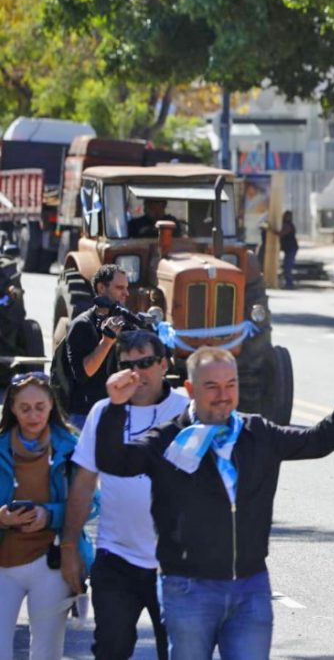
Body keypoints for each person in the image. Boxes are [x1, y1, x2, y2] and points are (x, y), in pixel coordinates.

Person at [95, 347, 334, 659]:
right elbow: (114, 461)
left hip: (250, 589)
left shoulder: (257, 433)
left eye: (230, 385)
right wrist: (115, 408)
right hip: (188, 590)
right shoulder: (169, 439)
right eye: (211, 387)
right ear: (190, 389)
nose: (223, 395)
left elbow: (318, 440)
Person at [61, 330, 187, 660]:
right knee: (111, 650)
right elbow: (84, 483)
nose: (136, 372)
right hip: (116, 558)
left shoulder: (187, 411)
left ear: (163, 365)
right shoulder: (103, 412)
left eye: (145, 363)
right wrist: (70, 546)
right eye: (127, 364)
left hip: (176, 564)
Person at [0, 372, 83, 660]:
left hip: (51, 560)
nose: (33, 415)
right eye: (24, 408)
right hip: (3, 562)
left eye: (39, 407)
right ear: (11, 408)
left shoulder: (72, 445)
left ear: (51, 406)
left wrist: (49, 516)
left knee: (46, 652)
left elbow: (89, 502)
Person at [65, 264, 131, 428]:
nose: (126, 294)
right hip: (85, 415)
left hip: (118, 411)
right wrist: (106, 342)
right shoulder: (82, 325)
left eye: (127, 288)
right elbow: (84, 373)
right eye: (119, 288)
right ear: (101, 288)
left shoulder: (126, 323)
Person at [279, 211, 298, 290]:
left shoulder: (288, 225)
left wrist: (271, 230)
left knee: (288, 267)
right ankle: (288, 283)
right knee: (286, 266)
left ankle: (289, 284)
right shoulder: (286, 225)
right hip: (289, 249)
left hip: (291, 249)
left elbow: (281, 234)